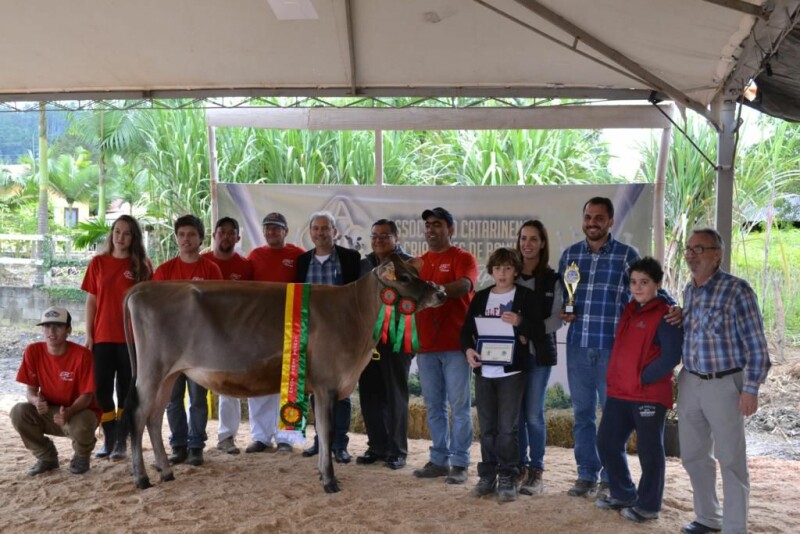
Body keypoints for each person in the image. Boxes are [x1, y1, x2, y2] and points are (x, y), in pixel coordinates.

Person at [678, 228, 770, 534]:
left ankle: (734, 528)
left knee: (730, 459)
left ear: (717, 254)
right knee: (693, 456)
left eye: (699, 249)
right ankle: (708, 517)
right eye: (689, 249)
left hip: (724, 384)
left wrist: (751, 389)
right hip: (690, 381)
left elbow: (757, 346)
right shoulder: (689, 290)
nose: (691, 255)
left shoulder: (737, 290)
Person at [558, 197, 641, 498]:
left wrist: (670, 308)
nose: (592, 223)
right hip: (578, 346)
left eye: (599, 218)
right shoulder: (570, 255)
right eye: (588, 217)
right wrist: (564, 310)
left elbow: (645, 292)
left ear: (610, 221)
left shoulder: (627, 255)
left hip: (612, 349)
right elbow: (563, 297)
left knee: (613, 417)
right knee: (582, 415)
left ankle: (611, 475)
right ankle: (586, 474)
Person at [595, 257, 682, 523]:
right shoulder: (629, 309)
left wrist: (641, 378)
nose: (637, 287)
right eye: (633, 282)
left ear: (657, 284)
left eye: (644, 282)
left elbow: (671, 357)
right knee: (607, 441)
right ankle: (623, 493)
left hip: (649, 394)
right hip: (621, 392)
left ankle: (649, 505)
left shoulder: (666, 314)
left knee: (649, 450)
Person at [461, 247, 546, 502]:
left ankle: (508, 475)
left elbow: (539, 331)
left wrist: (520, 322)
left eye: (508, 268)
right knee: (487, 428)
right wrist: (468, 350)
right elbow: (466, 331)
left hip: (513, 371)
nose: (502, 273)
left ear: (516, 271)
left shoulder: (526, 297)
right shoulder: (481, 297)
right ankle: (487, 475)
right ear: (491, 271)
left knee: (508, 428)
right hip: (484, 371)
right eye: (498, 268)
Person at [411, 207, 478, 485]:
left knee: (459, 407)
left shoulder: (463, 257)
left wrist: (435, 291)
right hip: (426, 346)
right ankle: (439, 460)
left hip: (456, 345)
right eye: (428, 225)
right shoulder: (418, 263)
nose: (431, 229)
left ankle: (460, 462)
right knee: (433, 406)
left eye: (437, 224)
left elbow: (465, 285)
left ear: (450, 229)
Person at [153, 214, 223, 467]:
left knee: (197, 397)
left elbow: (218, 307)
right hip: (170, 345)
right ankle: (178, 446)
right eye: (181, 235)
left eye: (191, 235)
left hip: (199, 345)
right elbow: (156, 310)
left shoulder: (211, 270)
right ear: (176, 238)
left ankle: (196, 447)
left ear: (201, 238)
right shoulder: (164, 271)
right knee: (172, 398)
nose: (186, 239)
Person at [81, 214, 152, 461]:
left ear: (134, 238)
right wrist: (89, 334)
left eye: (127, 233)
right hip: (102, 336)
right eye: (117, 231)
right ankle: (109, 437)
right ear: (112, 234)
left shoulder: (142, 265)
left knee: (126, 389)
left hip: (131, 339)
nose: (120, 237)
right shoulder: (98, 263)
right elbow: (91, 300)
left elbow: (148, 305)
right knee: (101, 389)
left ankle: (122, 440)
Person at [296, 210, 361, 464]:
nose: (320, 233)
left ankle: (340, 444)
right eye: (316, 229)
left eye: (325, 228)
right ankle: (320, 441)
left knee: (340, 391)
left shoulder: (351, 258)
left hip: (341, 337)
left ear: (334, 232)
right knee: (315, 389)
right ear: (310, 233)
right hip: (310, 336)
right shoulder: (302, 261)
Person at [10, 307, 102, 476]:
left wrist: (69, 412)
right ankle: (47, 457)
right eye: (47, 326)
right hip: (49, 411)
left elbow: (87, 396)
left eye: (58, 326)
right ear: (42, 329)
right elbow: (30, 391)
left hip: (78, 412)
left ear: (68, 330)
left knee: (85, 421)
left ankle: (82, 456)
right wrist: (36, 401)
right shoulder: (32, 351)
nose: (51, 331)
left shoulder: (82, 355)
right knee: (18, 412)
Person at [355, 219, 414, 470]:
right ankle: (376, 446)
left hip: (397, 336)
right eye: (375, 235)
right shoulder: (364, 264)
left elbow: (413, 297)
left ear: (396, 238)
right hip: (369, 338)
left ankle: (397, 450)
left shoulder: (408, 263)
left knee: (395, 394)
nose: (378, 240)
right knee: (369, 392)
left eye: (385, 235)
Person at [246, 212, 305, 453]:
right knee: (260, 378)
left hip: (292, 326)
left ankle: (287, 437)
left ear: (285, 231)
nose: (271, 232)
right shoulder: (254, 256)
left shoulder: (298, 255)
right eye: (268, 228)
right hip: (260, 327)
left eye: (276, 228)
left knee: (291, 380)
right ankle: (261, 437)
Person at [201, 217, 254, 455]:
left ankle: (227, 436)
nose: (226, 236)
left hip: (235, 333)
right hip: (203, 333)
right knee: (199, 389)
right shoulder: (202, 262)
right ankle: (195, 440)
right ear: (214, 235)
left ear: (237, 238)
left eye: (231, 233)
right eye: (222, 232)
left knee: (229, 384)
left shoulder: (246, 266)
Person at [514, 219, 560, 495]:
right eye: (523, 238)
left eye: (533, 239)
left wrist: (529, 332)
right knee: (517, 415)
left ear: (542, 243)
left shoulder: (553, 279)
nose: (527, 244)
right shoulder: (510, 275)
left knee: (533, 414)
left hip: (538, 355)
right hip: (512, 356)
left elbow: (557, 319)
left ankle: (536, 470)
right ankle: (519, 467)